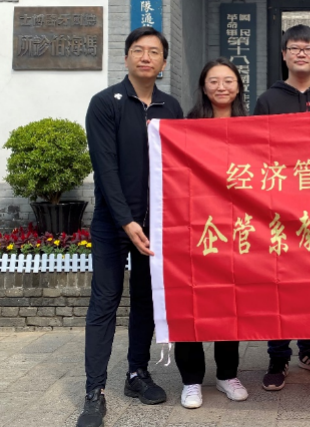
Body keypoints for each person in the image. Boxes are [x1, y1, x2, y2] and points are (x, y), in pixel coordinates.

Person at [79, 27, 184, 427]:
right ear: (126, 58)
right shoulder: (105, 103)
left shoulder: (171, 108)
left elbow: (178, 168)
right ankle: (95, 390)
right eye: (138, 50)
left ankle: (137, 373)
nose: (145, 57)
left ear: (163, 62)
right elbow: (105, 169)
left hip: (155, 224)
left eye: (154, 52)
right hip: (113, 224)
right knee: (104, 302)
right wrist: (125, 221)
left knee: (145, 299)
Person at [254, 24, 310, 391]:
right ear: (284, 54)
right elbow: (256, 151)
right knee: (279, 282)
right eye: (295, 48)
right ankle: (277, 354)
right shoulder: (268, 100)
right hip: (280, 207)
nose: (302, 53)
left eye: (309, 48)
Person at [177, 58, 249, 410]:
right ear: (204, 87)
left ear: (239, 86)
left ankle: (227, 374)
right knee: (189, 300)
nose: (222, 87)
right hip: (196, 226)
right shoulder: (187, 128)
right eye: (214, 81)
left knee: (229, 302)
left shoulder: (252, 127)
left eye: (228, 80)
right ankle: (191, 381)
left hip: (239, 228)